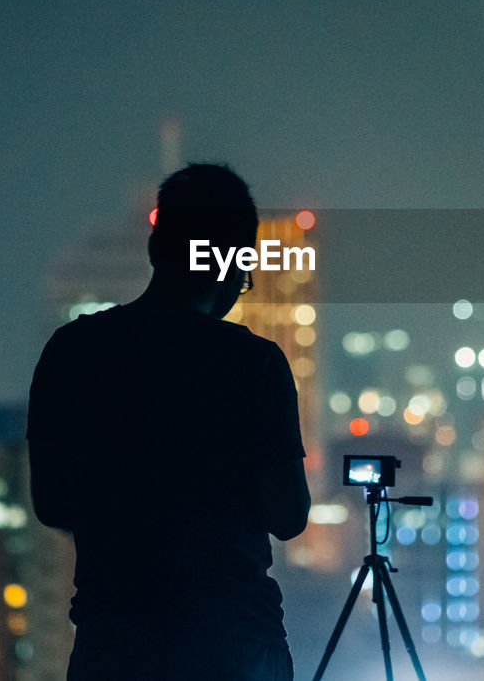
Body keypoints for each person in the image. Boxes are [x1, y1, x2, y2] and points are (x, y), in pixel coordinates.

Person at [28, 163, 310, 680]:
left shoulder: (72, 353)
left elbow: (51, 503)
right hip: (233, 644)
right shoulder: (255, 363)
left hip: (114, 645)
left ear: (157, 249)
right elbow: (288, 516)